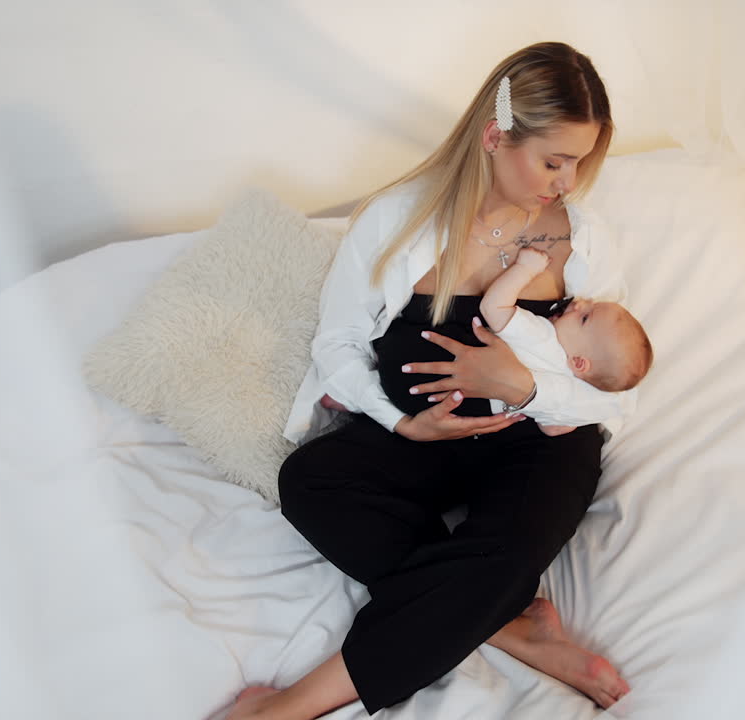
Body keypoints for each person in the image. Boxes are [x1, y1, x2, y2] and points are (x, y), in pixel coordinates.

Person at [227, 42, 635, 719]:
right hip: (421, 435)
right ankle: (514, 629)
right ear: (495, 136)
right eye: (553, 160)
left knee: (508, 549)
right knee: (310, 482)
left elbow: (615, 382)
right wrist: (402, 423)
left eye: (580, 163)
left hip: (536, 440)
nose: (566, 181)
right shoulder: (401, 218)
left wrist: (522, 386)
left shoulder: (584, 241)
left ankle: (286, 708)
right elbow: (338, 340)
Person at [477, 246, 653, 436]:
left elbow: (492, 307)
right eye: (590, 304)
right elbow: (552, 429)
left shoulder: (542, 338)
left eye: (584, 317)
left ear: (579, 362)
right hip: (482, 411)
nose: (579, 303)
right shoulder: (576, 397)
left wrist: (525, 269)